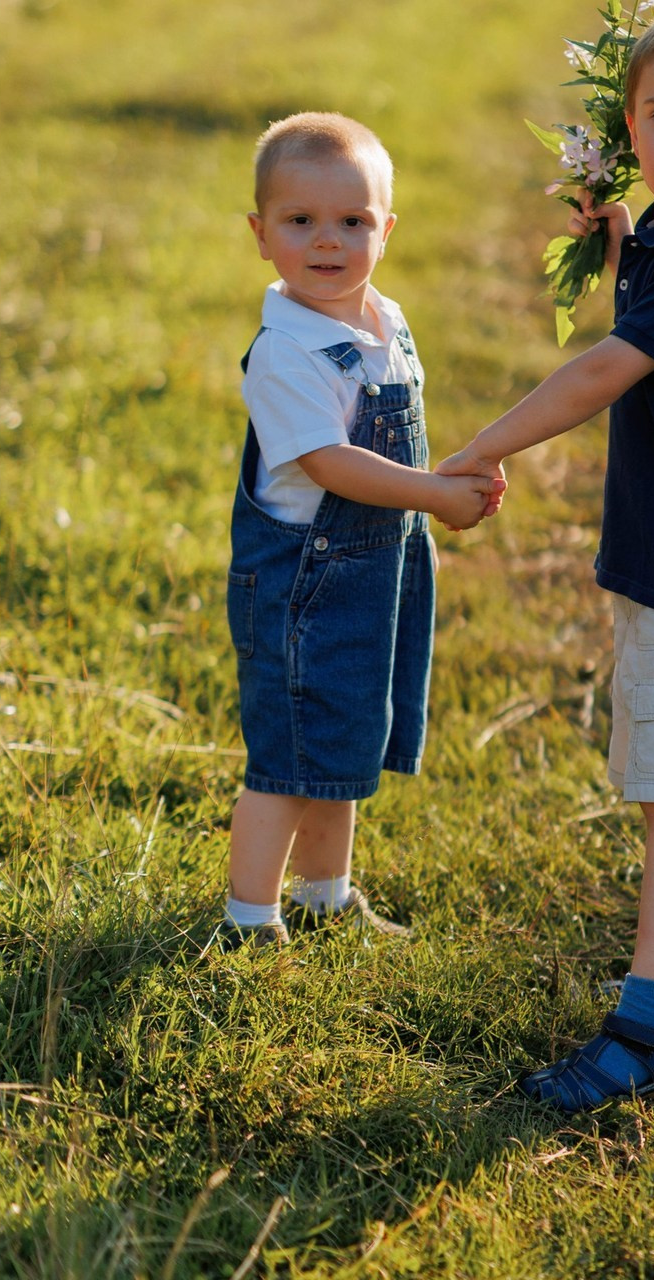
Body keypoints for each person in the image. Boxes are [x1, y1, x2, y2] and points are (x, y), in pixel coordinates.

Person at [437, 0, 654, 1109]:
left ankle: (653, 1023)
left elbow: (597, 374)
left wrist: (480, 448)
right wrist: (618, 235)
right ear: (628, 122)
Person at [217, 112, 504, 950]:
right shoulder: (287, 351)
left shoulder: (384, 319)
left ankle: (325, 895)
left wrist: (453, 478)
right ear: (261, 234)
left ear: (387, 228)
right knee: (288, 757)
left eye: (353, 221)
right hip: (303, 585)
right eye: (300, 222)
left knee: (346, 739)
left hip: (377, 574)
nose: (328, 242)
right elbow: (331, 462)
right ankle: (248, 920)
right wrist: (431, 495)